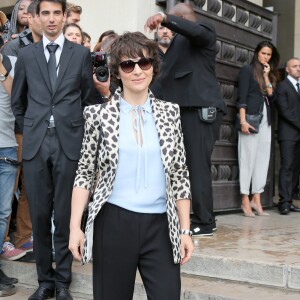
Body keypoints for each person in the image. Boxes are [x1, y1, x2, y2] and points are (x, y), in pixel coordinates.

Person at [69, 31, 194, 300]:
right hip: (113, 222)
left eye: (144, 63)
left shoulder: (170, 113)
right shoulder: (98, 114)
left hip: (161, 225)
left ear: (153, 67)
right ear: (117, 71)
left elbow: (180, 174)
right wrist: (74, 227)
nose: (137, 70)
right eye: (128, 64)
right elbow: (84, 173)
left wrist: (185, 230)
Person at [11, 0, 94, 299]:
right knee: (40, 215)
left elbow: (87, 99)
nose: (50, 19)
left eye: (56, 13)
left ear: (63, 16)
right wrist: (33, 127)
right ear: (35, 17)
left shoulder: (81, 54)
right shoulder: (27, 54)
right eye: (44, 13)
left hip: (68, 144)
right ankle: (44, 282)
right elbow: (17, 101)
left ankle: (63, 283)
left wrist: (71, 129)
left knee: (66, 214)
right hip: (35, 144)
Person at [145, 3, 226, 236]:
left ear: (180, 18)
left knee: (197, 166)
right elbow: (166, 78)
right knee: (184, 167)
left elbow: (197, 31)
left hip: (199, 110)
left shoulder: (203, 32)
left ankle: (205, 221)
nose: (167, 26)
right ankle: (190, 214)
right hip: (181, 111)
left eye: (172, 19)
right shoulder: (179, 44)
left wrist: (164, 17)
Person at [237, 41, 280, 217]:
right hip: (250, 119)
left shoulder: (269, 73)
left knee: (262, 159)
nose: (266, 57)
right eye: (263, 53)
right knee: (247, 159)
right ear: (256, 53)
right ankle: (245, 199)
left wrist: (268, 76)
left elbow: (272, 96)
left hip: (266, 120)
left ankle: (257, 197)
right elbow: (242, 97)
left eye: (269, 54)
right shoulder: (247, 70)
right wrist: (242, 121)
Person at [0, 48, 20, 299]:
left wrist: (3, 70)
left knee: (4, 212)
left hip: (7, 145)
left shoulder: (11, 62)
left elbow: (16, 100)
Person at [276, 57, 300, 215]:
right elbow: (285, 111)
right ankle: (283, 202)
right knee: (287, 167)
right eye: (295, 66)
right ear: (287, 69)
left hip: (298, 134)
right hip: (288, 134)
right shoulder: (282, 86)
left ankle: (290, 199)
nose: (298, 68)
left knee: (296, 168)